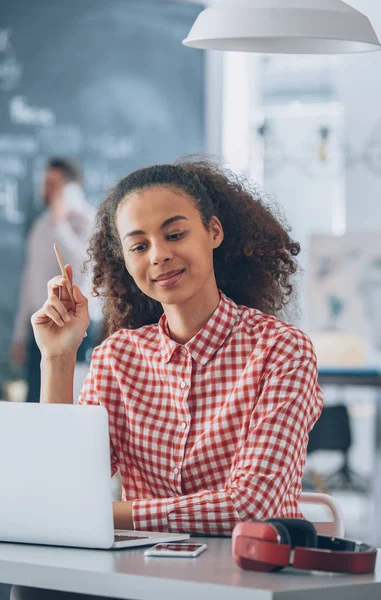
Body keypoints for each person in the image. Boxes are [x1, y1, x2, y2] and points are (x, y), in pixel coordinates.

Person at [12, 157, 323, 599]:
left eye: (175, 234)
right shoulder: (117, 357)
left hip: (246, 579)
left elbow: (254, 506)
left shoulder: (280, 350)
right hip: (135, 580)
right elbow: (59, 496)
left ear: (213, 232)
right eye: (138, 246)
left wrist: (110, 513)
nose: (158, 255)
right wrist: (58, 358)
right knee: (32, 587)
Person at [11, 158, 96, 402]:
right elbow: (30, 281)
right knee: (34, 399)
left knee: (70, 398)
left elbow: (83, 267)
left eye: (53, 184)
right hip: (39, 325)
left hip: (75, 323)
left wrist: (61, 224)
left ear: (71, 188)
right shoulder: (40, 226)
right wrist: (20, 334)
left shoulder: (88, 220)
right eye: (45, 183)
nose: (46, 190)